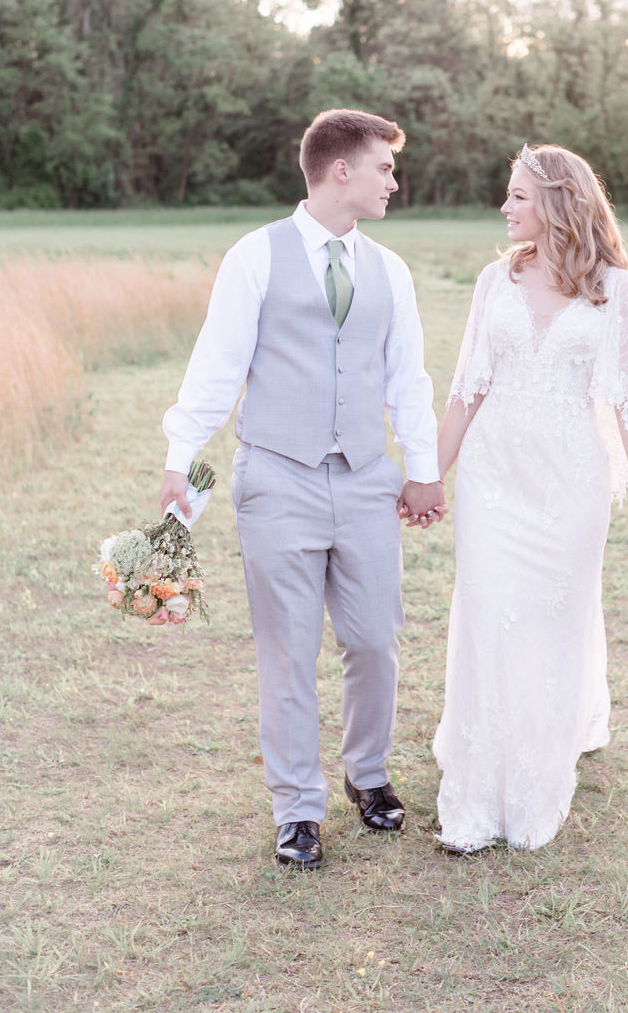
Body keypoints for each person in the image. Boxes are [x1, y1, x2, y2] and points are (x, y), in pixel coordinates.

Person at [160, 109, 445, 870]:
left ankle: (369, 774)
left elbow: (406, 377)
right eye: (384, 166)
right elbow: (217, 367)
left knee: (375, 640)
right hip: (275, 478)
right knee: (289, 652)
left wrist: (423, 469)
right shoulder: (255, 257)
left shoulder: (391, 270)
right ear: (340, 169)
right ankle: (297, 811)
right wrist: (181, 458)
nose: (394, 180)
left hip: (364, 480)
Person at [427, 142, 628, 853]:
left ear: (558, 202)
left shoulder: (616, 290)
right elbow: (467, 388)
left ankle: (536, 782)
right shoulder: (494, 282)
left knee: (553, 624)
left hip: (570, 482)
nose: (505, 206)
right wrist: (430, 474)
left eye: (518, 195)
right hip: (493, 477)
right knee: (490, 620)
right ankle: (472, 801)